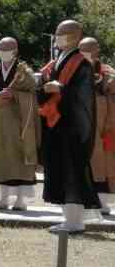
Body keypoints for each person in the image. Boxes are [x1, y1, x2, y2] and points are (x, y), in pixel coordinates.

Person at [37, 20, 102, 233]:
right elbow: (44, 88)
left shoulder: (81, 64)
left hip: (72, 128)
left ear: (75, 36)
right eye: (57, 33)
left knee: (72, 173)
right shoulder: (57, 61)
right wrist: (43, 87)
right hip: (56, 125)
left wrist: (62, 89)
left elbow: (83, 97)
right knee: (59, 172)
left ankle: (75, 222)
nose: (57, 37)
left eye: (62, 33)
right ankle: (68, 219)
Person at [0, 37, 40, 211]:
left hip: (20, 123)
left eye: (8, 49)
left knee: (20, 160)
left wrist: (16, 95)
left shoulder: (24, 72)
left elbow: (34, 95)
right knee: (1, 159)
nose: (4, 53)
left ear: (15, 51)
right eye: (1, 49)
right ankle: (3, 198)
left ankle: (21, 199)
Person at [81, 37, 115, 215]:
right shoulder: (74, 68)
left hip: (104, 125)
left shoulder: (106, 70)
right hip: (81, 124)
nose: (86, 53)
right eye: (83, 50)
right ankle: (82, 202)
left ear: (97, 51)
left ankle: (103, 203)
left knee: (104, 165)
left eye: (90, 49)